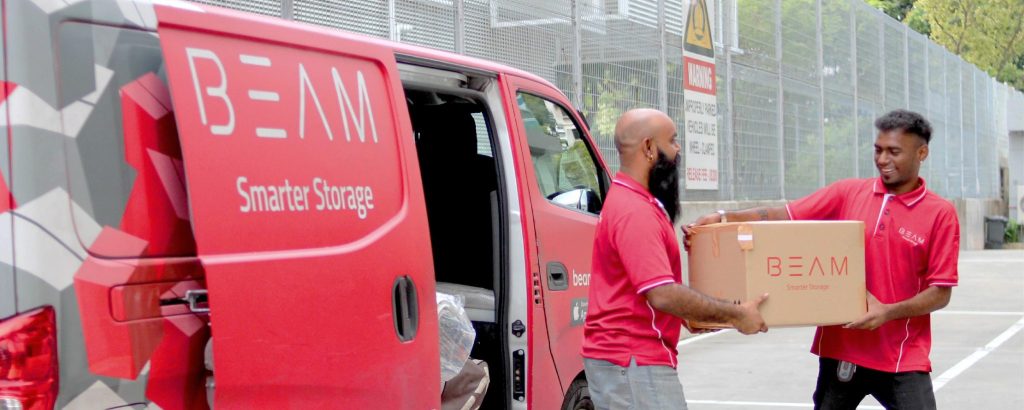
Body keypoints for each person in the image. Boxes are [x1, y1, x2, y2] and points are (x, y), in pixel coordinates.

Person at [685, 109, 958, 410]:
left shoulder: (940, 213)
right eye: (878, 150)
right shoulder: (848, 192)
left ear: (922, 152)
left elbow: (940, 292)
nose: (882, 160)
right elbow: (784, 215)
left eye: (894, 152)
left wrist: (888, 312)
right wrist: (724, 218)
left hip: (902, 357)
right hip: (841, 352)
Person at [582, 108, 768, 410]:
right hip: (634, 363)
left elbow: (640, 290)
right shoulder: (635, 212)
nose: (678, 150)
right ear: (648, 148)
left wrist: (690, 315)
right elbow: (662, 294)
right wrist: (736, 314)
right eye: (672, 141)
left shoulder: (632, 200)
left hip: (626, 362)